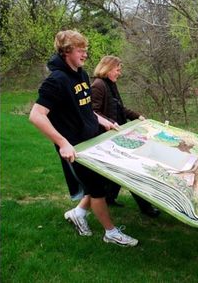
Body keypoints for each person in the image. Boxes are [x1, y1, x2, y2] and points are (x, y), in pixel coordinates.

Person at [29, 30, 138, 247]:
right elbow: (36, 115)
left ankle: (78, 213)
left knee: (103, 179)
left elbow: (86, 108)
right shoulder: (56, 81)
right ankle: (111, 232)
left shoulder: (82, 74)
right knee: (97, 189)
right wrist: (62, 143)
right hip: (75, 146)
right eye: (81, 50)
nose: (85, 54)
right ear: (67, 51)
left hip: (93, 138)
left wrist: (102, 121)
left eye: (85, 50)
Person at [91, 55, 160, 218]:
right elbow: (93, 112)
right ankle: (146, 207)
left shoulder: (110, 85)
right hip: (108, 137)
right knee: (131, 170)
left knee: (117, 171)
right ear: (107, 68)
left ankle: (108, 198)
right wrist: (110, 124)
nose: (119, 73)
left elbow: (120, 108)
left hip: (119, 134)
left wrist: (138, 116)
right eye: (117, 69)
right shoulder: (98, 85)